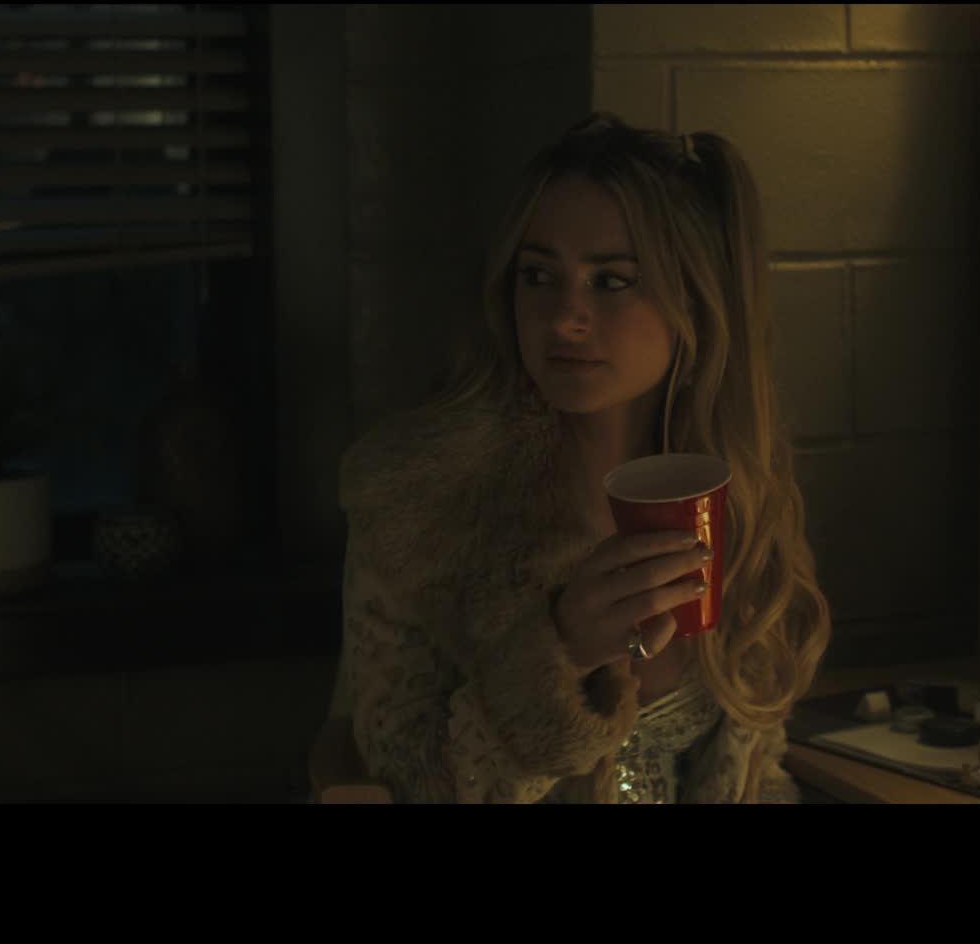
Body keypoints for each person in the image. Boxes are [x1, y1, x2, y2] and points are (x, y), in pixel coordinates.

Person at [335, 112, 832, 803]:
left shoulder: (734, 491)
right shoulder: (422, 498)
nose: (566, 316)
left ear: (695, 302)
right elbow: (399, 783)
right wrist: (561, 653)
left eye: (611, 282)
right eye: (539, 275)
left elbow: (757, 765)